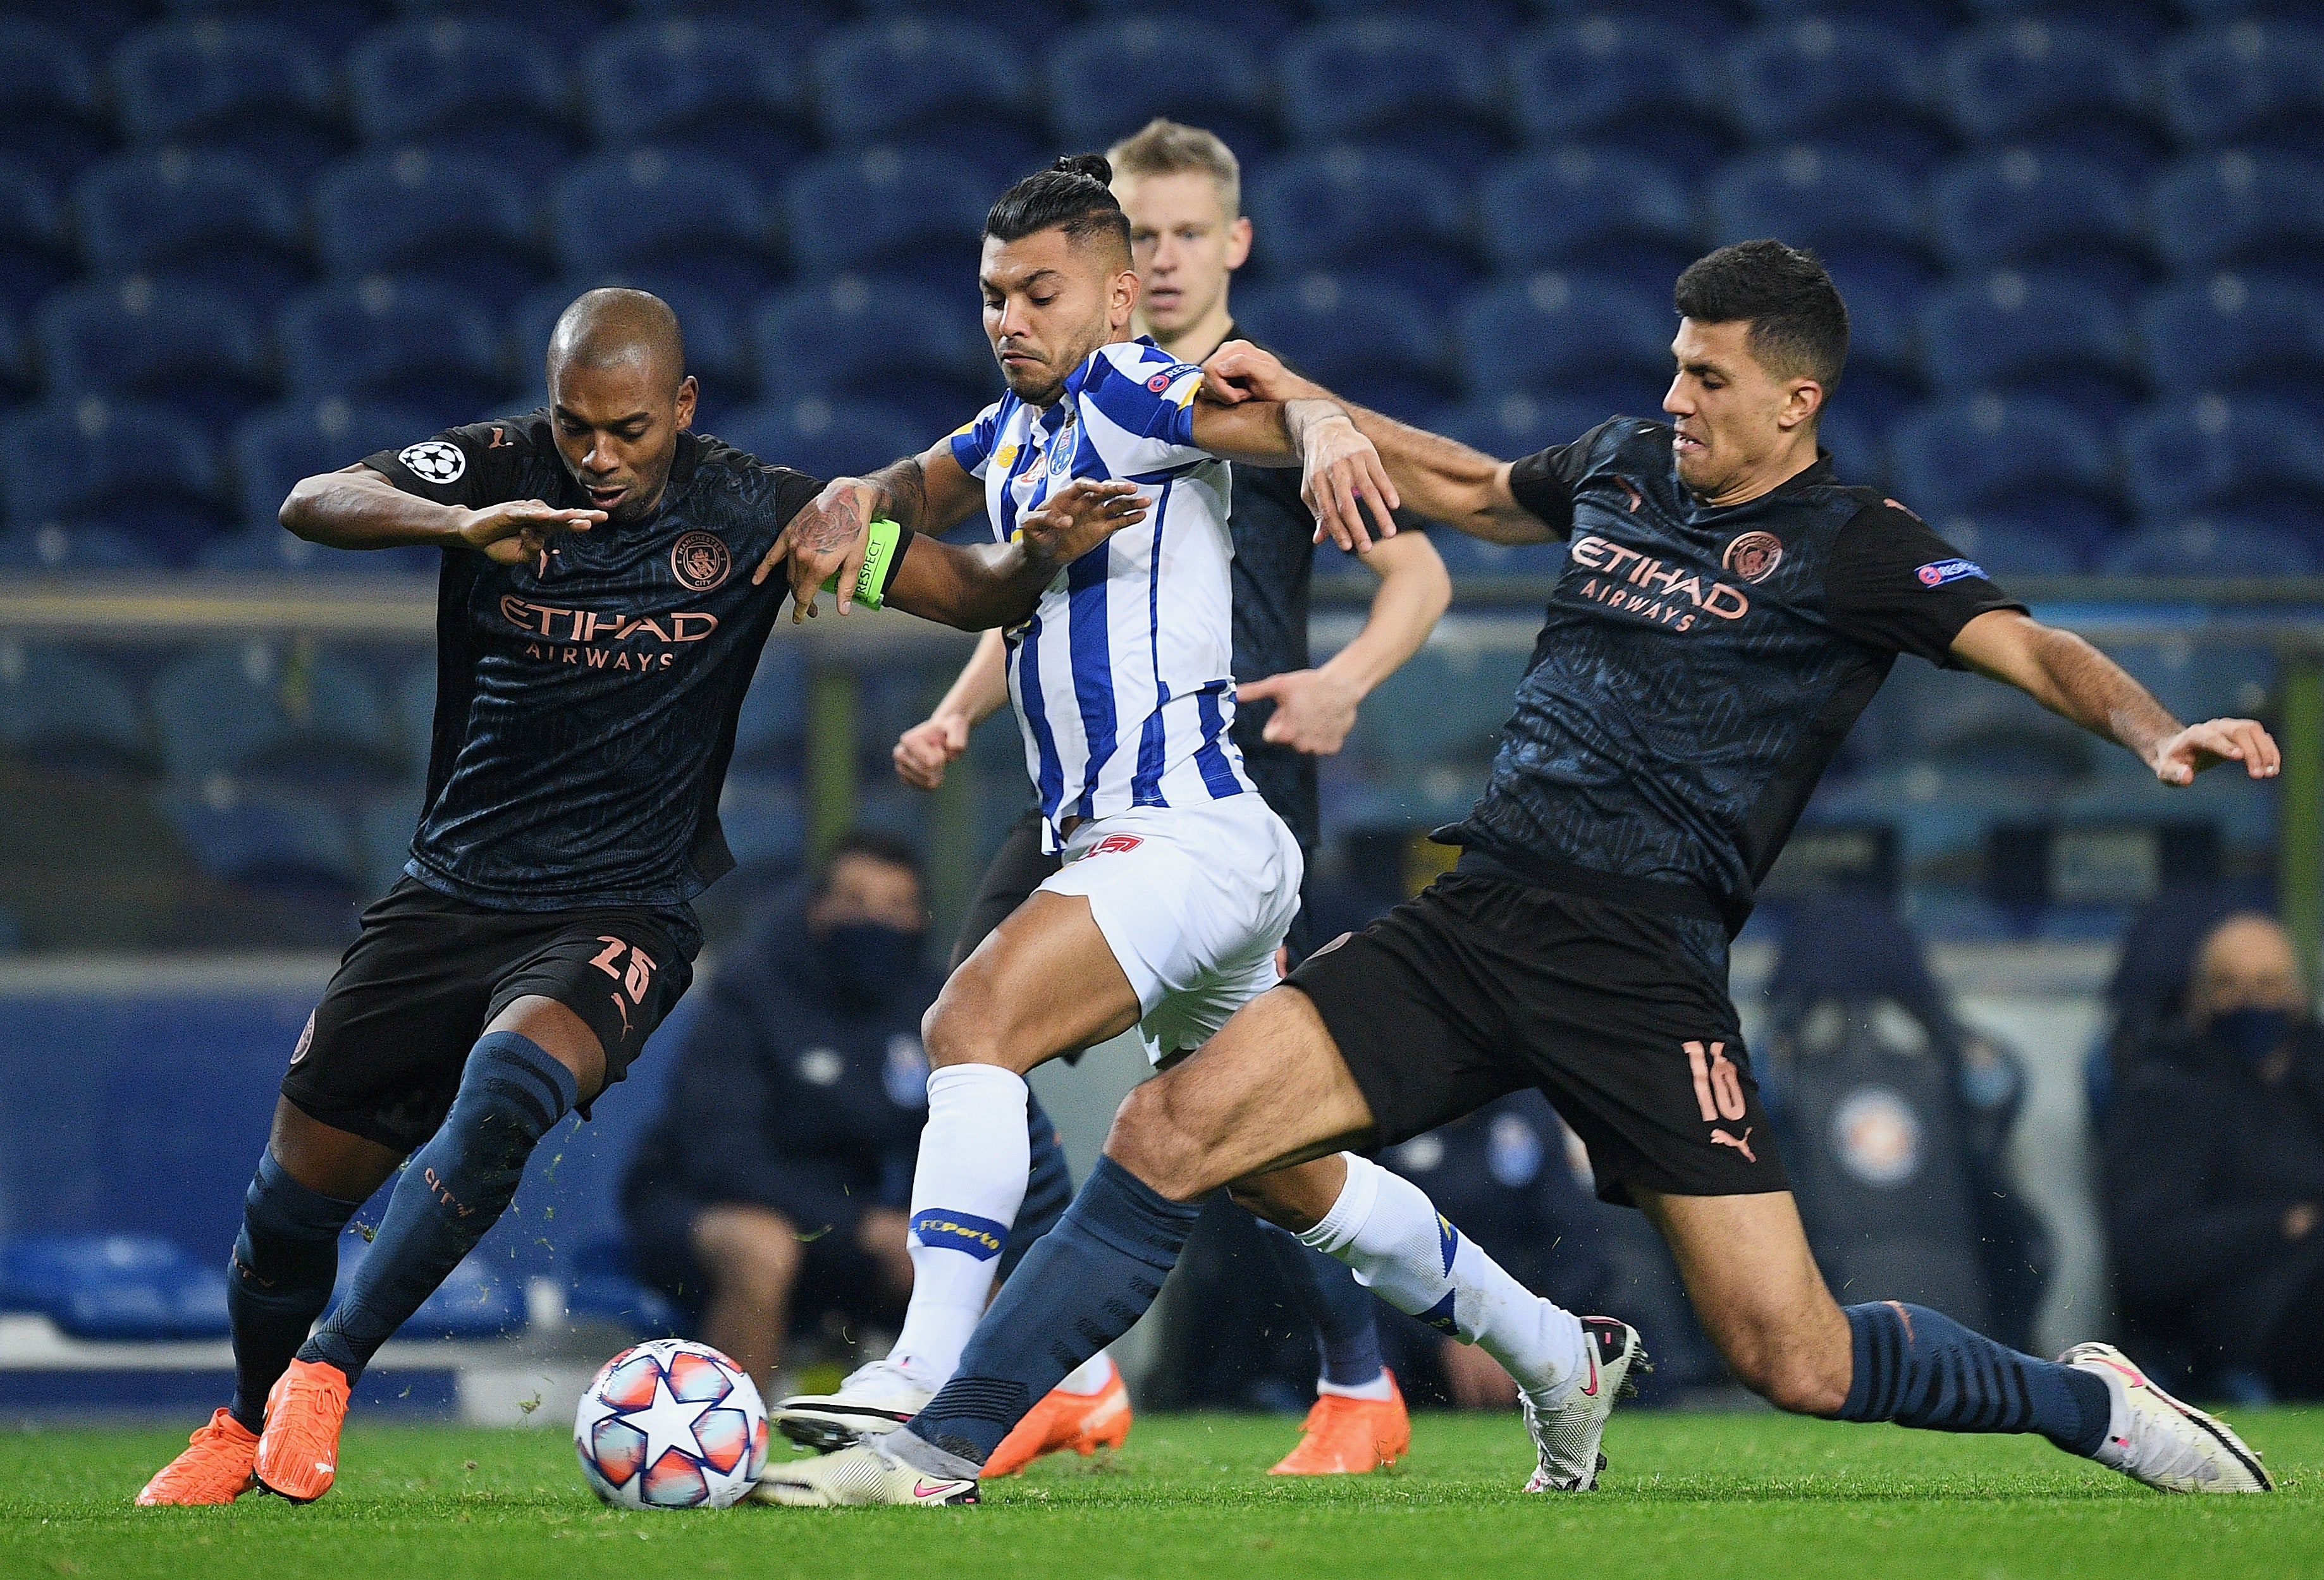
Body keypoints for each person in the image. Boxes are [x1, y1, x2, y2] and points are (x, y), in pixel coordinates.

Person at [770, 240, 2285, 1507]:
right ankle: (938, 1446)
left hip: (1646, 971)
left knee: (1796, 1359)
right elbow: (1475, 488)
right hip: (1480, 920)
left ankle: (2085, 1407)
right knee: (1174, 1127)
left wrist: (2155, 733)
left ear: (1798, 400)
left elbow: (2030, 645)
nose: (1674, 397)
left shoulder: (1857, 544)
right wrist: (1309, 407)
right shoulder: (1624, 465)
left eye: (1710, 377)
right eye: (1674, 364)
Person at [133, 286, 1156, 1507]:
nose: (599, 456)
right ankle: (238, 1422)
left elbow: (971, 593)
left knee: (512, 1084)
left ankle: (328, 1368)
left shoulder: (760, 510)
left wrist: (1034, 552)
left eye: (628, 428)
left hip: (623, 909)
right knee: (289, 1206)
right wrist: (449, 527)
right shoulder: (497, 467)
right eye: (578, 427)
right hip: (451, 891)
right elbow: (312, 499)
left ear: (683, 405)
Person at [751, 154, 1441, 1501]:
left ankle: (1340, 1371)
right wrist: (940, 670)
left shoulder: (1226, 396)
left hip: (1219, 781)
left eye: (1190, 233)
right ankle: (1050, 1358)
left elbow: (1415, 556)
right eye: (993, 293)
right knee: (987, 1028)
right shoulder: (1037, 414)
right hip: (1078, 786)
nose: (1172, 257)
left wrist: (1341, 671)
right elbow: (1018, 583)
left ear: (1214, 250)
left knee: (1211, 1114)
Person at [622, 830, 1073, 1396]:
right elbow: (722, 1157)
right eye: (854, 902)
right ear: (818, 906)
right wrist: (860, 1226)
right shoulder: (751, 989)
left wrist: (914, 1226)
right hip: (705, 1209)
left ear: (920, 916)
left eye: (895, 906)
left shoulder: (938, 1004)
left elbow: (980, 1137)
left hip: (859, 1222)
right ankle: (729, 1442)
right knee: (764, 1249)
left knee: (962, 1261)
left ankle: (957, 1439)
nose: (873, 921)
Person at [2105, 912, 2324, 1400]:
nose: (2253, 1003)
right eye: (2230, 985)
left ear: (2298, 994)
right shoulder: (2164, 1093)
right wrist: (2283, 1225)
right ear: (2199, 997)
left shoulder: (2313, 1073)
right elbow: (2147, 1255)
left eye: (2270, 984)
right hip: (2241, 1317)